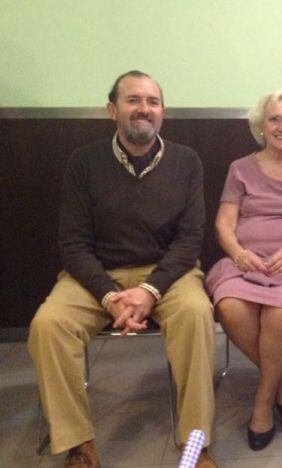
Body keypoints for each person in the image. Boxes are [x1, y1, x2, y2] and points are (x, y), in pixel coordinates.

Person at [27, 70, 217, 468]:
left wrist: (150, 290)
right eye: (133, 100)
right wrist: (110, 296)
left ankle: (196, 442)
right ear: (113, 110)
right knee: (48, 325)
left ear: (163, 112)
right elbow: (73, 243)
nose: (144, 109)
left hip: (169, 272)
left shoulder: (187, 161)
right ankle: (79, 443)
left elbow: (189, 239)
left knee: (197, 314)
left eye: (152, 101)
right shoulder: (84, 163)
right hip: (97, 275)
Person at [205, 90, 282, 451]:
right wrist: (240, 254)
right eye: (275, 119)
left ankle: (262, 404)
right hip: (244, 260)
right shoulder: (240, 169)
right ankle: (280, 385)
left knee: (280, 315)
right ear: (261, 126)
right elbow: (224, 224)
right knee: (229, 307)